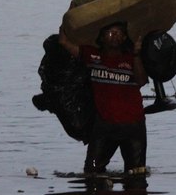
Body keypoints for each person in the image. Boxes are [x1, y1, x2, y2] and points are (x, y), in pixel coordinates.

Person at [58, 22, 148, 174]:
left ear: (125, 37)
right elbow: (63, 41)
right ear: (101, 37)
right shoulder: (92, 56)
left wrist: (137, 54)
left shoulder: (132, 58)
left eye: (119, 33)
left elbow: (141, 81)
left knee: (137, 175)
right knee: (92, 172)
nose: (115, 36)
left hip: (133, 125)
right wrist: (72, 11)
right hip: (105, 126)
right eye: (110, 32)